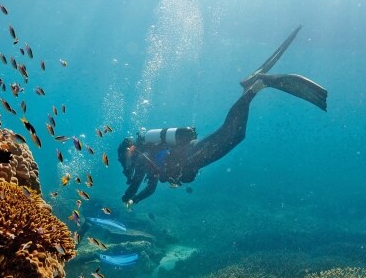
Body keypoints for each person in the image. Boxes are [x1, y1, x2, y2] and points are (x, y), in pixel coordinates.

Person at [118, 25, 327, 207]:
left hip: (192, 154)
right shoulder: (147, 159)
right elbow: (150, 189)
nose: (125, 163)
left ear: (130, 149)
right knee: (236, 135)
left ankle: (256, 86)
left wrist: (128, 195)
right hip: (193, 158)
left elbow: (136, 183)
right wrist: (134, 200)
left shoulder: (142, 157)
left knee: (230, 133)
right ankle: (252, 89)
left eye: (123, 158)